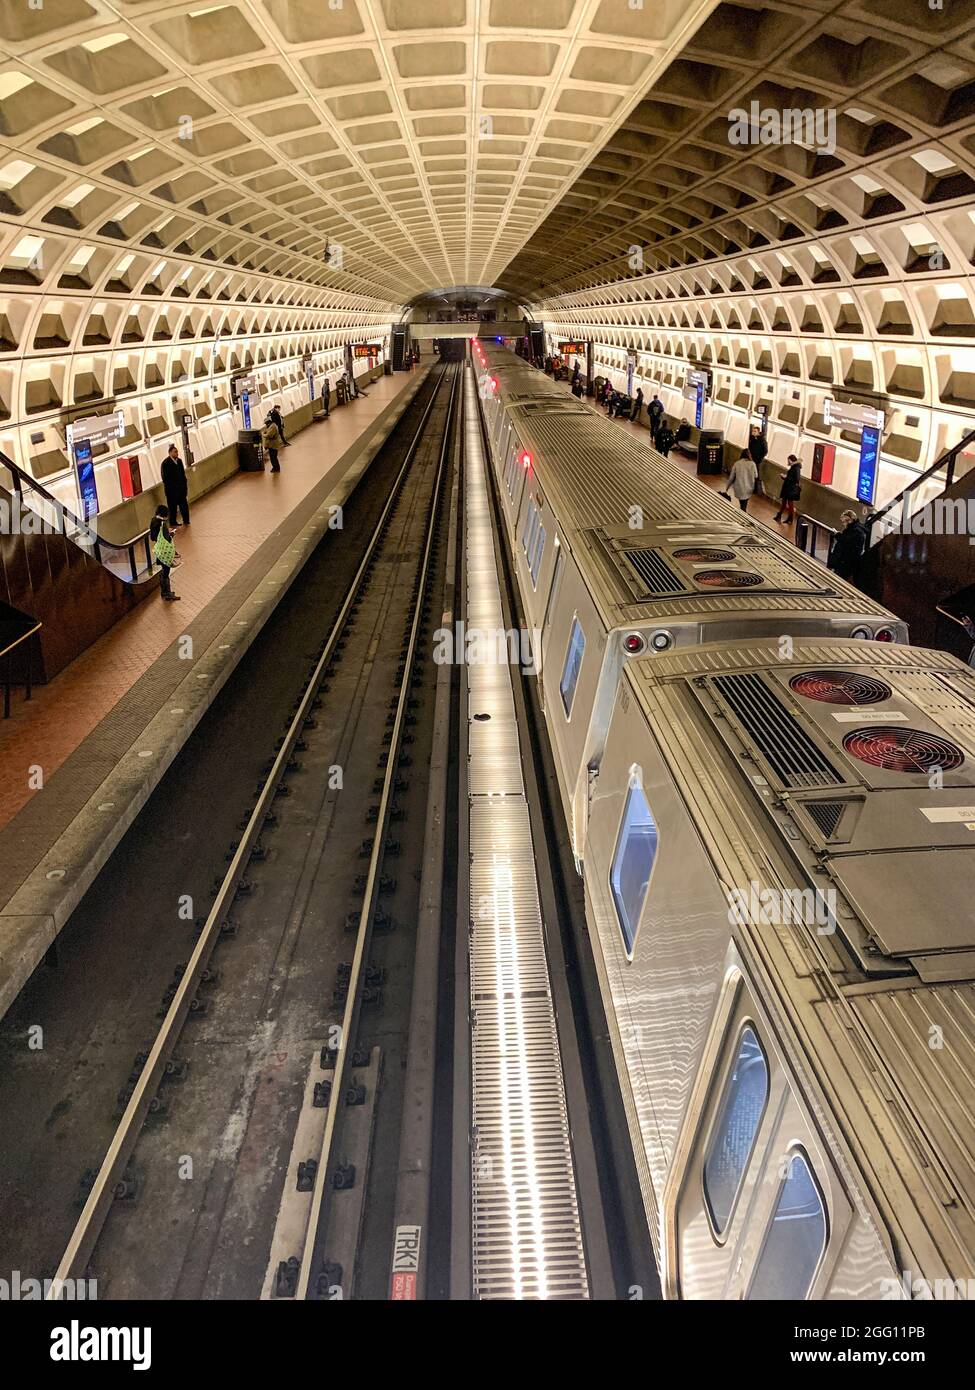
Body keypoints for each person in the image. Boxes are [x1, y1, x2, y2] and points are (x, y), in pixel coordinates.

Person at [151, 505, 180, 602]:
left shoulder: (153, 521)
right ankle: (167, 592)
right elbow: (166, 538)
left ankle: (165, 591)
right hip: (164, 551)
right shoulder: (161, 524)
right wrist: (172, 533)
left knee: (164, 570)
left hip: (159, 550)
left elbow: (153, 537)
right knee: (166, 571)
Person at [828, 509, 867, 582]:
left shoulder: (856, 531)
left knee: (840, 580)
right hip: (846, 562)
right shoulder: (855, 529)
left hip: (846, 563)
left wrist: (837, 534)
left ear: (850, 520)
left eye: (844, 522)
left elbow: (846, 541)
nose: (843, 524)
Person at [161, 442, 190, 527]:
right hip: (171, 491)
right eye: (175, 452)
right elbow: (165, 478)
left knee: (184, 505)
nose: (177, 453)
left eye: (177, 452)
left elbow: (182, 474)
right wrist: (172, 488)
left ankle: (186, 520)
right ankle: (173, 522)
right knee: (172, 508)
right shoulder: (165, 463)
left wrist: (184, 486)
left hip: (181, 489)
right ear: (170, 453)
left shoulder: (179, 461)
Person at [774, 455, 802, 524]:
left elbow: (796, 479)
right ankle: (781, 515)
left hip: (790, 489)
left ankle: (789, 517)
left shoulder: (796, 468)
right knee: (785, 502)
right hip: (788, 488)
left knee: (790, 503)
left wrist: (786, 477)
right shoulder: (795, 467)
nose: (788, 462)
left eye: (788, 460)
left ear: (791, 460)